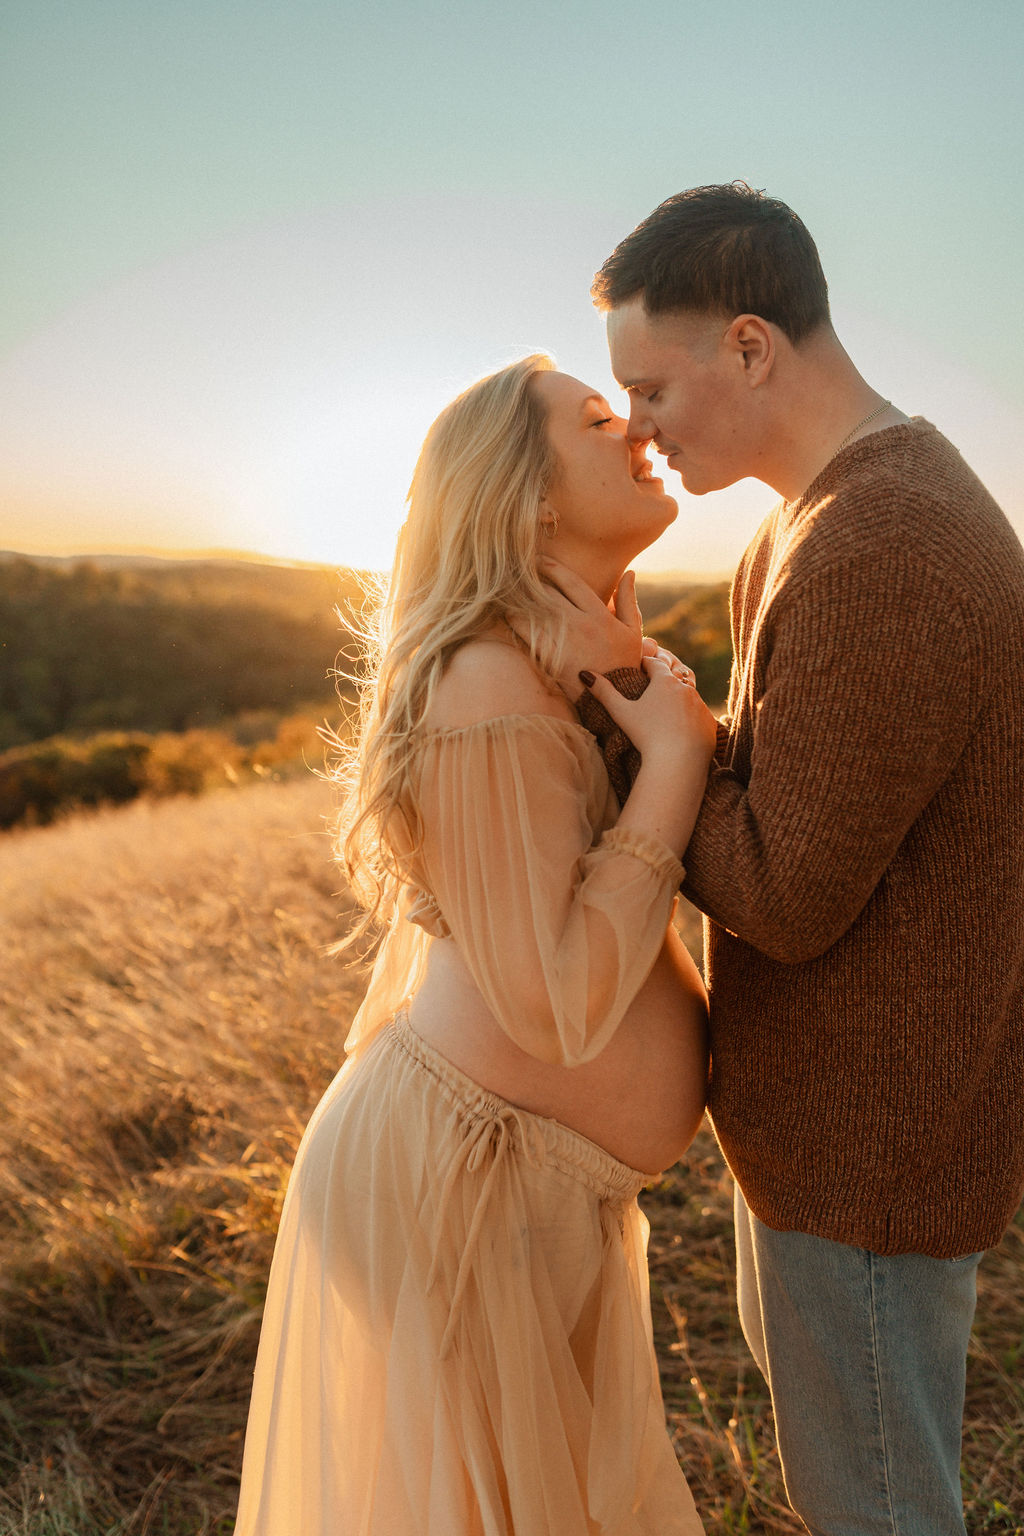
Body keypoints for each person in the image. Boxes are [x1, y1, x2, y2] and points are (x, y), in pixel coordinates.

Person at [539, 183, 1024, 1535]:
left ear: (749, 347)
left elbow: (787, 895)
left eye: (652, 385)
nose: (636, 426)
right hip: (829, 1132)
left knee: (878, 1504)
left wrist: (666, 755)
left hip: (874, 1152)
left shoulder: (894, 542)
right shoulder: (814, 518)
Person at [233, 354, 717, 1535]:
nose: (639, 430)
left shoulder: (553, 663)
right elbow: (555, 1001)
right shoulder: (490, 684)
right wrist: (677, 761)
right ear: (529, 494)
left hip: (514, 1191)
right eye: (602, 421)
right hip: (463, 1193)